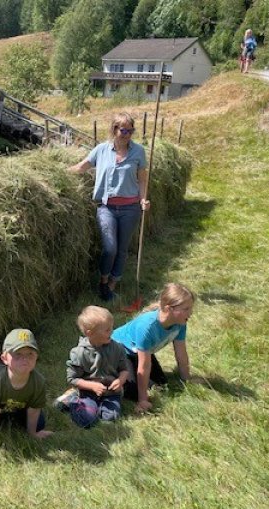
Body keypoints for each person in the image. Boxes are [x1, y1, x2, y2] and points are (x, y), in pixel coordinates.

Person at [69, 112, 150, 301]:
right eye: (124, 130)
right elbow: (82, 167)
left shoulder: (138, 151)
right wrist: (59, 172)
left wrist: (143, 199)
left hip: (130, 208)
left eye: (131, 131)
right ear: (114, 129)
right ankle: (103, 280)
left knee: (122, 248)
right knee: (109, 248)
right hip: (106, 208)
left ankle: (112, 284)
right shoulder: (101, 150)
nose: (127, 134)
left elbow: (142, 178)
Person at [112, 282, 194, 414]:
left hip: (137, 352)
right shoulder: (147, 327)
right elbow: (144, 366)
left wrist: (186, 378)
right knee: (134, 391)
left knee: (161, 384)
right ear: (168, 309)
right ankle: (107, 374)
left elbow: (181, 353)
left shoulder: (180, 323)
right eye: (186, 309)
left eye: (190, 308)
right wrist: (142, 400)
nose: (190, 313)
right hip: (118, 351)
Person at [0, 328, 53, 438]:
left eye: (30, 354)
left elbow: (34, 410)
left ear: (36, 356)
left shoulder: (38, 382)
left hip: (12, 400)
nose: (25, 359)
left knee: (39, 424)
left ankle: (7, 411)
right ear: (4, 358)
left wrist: (33, 433)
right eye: (18, 354)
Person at [56, 306, 130, 428]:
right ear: (89, 333)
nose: (112, 332)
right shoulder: (79, 353)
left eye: (111, 328)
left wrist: (120, 380)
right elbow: (72, 379)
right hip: (88, 392)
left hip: (110, 393)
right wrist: (92, 386)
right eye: (107, 330)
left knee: (110, 417)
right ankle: (71, 400)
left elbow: (124, 369)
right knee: (86, 420)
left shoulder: (117, 348)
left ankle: (98, 407)